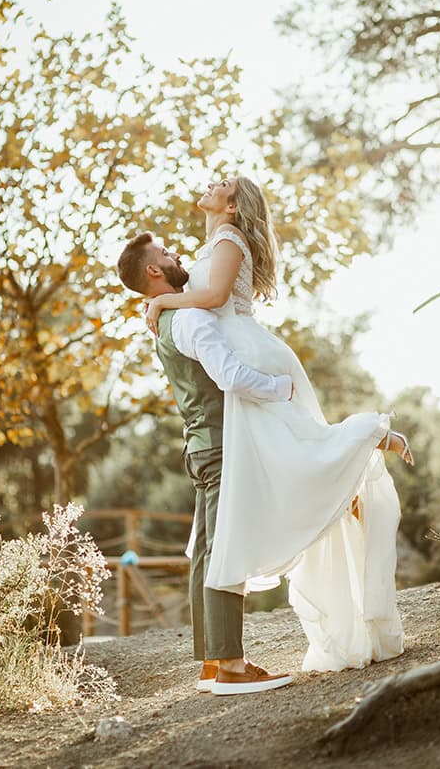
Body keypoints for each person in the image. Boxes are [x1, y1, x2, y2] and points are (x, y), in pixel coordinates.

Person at [143, 176, 414, 673]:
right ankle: (352, 464)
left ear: (231, 204)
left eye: (220, 183)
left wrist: (163, 301)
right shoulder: (214, 243)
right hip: (239, 357)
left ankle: (369, 440)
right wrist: (166, 302)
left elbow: (215, 295)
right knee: (293, 454)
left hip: (252, 355)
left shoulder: (227, 240)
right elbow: (207, 298)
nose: (209, 184)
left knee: (303, 448)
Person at [117, 234, 295, 695]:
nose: (175, 255)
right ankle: (231, 665)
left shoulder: (168, 318)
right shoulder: (191, 317)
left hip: (199, 445)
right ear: (154, 272)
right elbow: (232, 376)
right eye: (166, 254)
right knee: (222, 550)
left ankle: (212, 665)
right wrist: (282, 387)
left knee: (207, 553)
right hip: (218, 444)